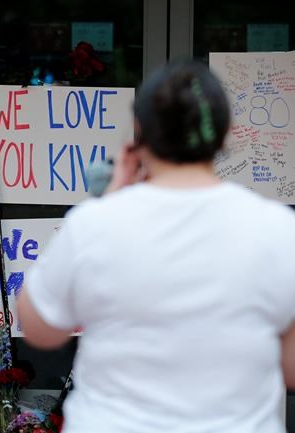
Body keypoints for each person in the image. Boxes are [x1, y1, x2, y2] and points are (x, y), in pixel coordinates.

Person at [17, 60, 295, 433]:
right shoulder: (277, 229)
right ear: (226, 132)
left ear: (139, 131)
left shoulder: (95, 224)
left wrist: (107, 201)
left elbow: (40, 329)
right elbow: (291, 368)